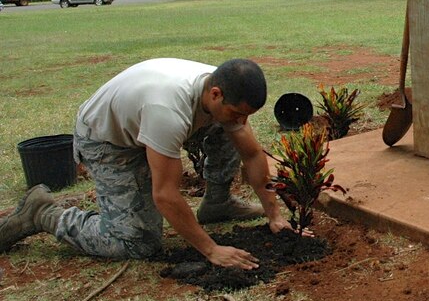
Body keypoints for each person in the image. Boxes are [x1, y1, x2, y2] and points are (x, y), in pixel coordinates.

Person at [0, 58, 291, 270]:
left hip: (146, 125)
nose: (243, 120)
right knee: (137, 243)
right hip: (109, 142)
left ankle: (217, 204)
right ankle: (44, 213)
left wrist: (274, 215)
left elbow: (252, 156)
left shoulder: (218, 87)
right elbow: (165, 194)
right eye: (239, 112)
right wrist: (211, 249)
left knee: (230, 131)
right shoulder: (167, 111)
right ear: (215, 94)